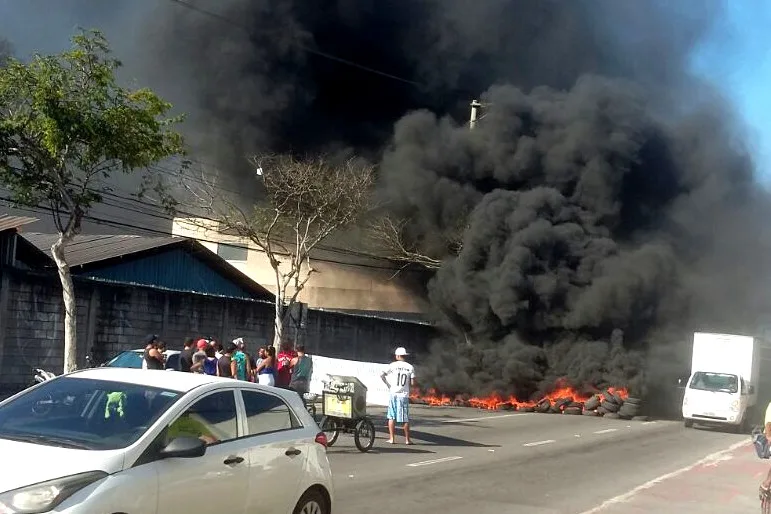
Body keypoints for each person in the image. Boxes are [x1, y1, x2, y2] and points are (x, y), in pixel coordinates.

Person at [380, 347, 415, 445]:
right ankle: (407, 440)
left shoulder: (392, 365)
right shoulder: (410, 367)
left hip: (393, 393)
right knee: (405, 418)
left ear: (398, 356)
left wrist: (388, 384)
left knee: (391, 417)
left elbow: (381, 375)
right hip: (403, 395)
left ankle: (392, 438)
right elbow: (412, 382)